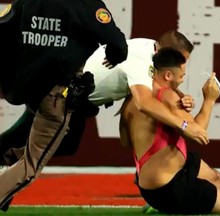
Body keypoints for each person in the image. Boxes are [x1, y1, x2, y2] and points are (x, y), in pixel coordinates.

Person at [0, 30, 208, 166]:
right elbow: (144, 102)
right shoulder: (139, 59)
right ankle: (13, 162)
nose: (182, 67)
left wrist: (181, 97)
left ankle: (13, 159)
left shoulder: (153, 50)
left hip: (75, 97)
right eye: (181, 61)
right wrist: (183, 124)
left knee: (55, 141)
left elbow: (159, 83)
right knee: (30, 138)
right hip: (62, 93)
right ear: (167, 52)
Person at [119, 48, 220, 214]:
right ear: (168, 76)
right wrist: (209, 99)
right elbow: (198, 132)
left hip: (158, 177)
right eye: (181, 76)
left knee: (215, 177)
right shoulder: (167, 96)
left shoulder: (135, 97)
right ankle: (168, 206)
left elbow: (125, 140)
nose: (182, 80)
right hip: (168, 188)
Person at [0, 0, 128, 211]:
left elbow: (4, 28)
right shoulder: (86, 5)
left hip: (29, 89)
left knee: (64, 143)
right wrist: (112, 57)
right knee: (31, 167)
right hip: (56, 95)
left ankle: (8, 156)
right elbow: (119, 46)